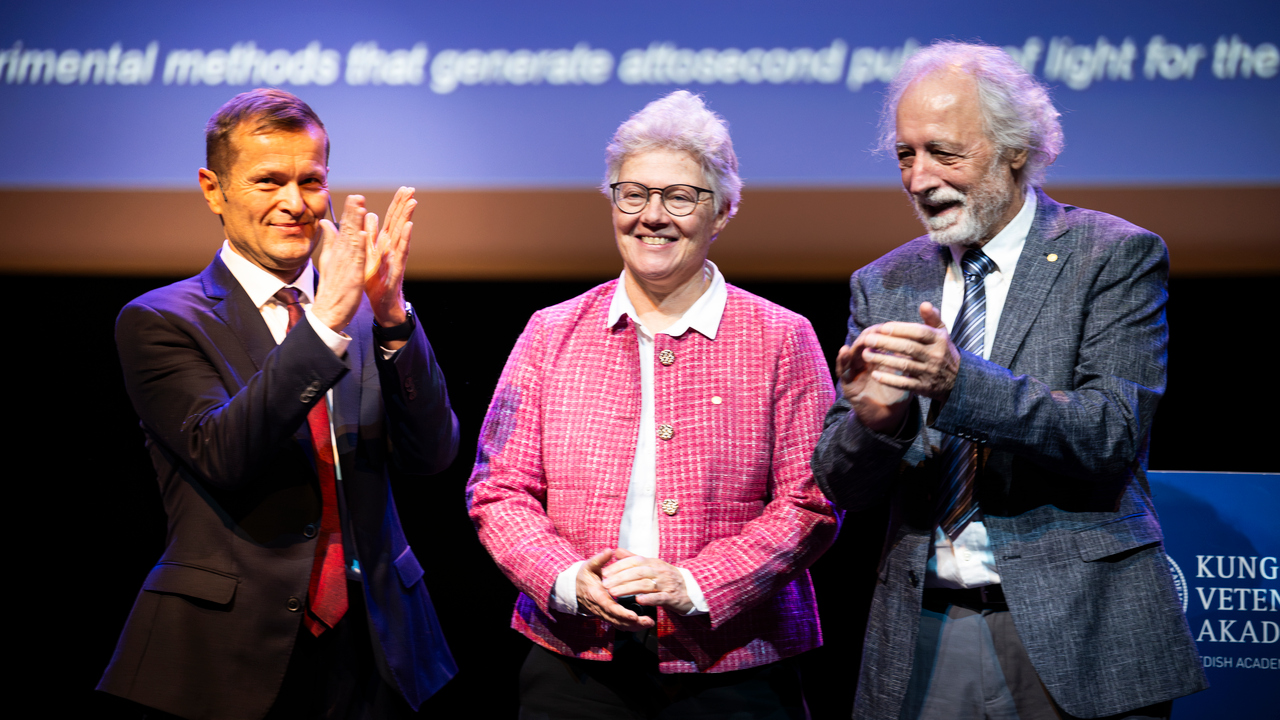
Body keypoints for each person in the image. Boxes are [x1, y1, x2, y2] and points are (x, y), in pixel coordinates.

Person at [811, 42, 1206, 720]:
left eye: (943, 152)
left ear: (1015, 149)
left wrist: (959, 383)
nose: (918, 178)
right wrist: (878, 426)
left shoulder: (1112, 255)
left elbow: (1109, 433)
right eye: (906, 155)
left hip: (1079, 630)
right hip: (925, 631)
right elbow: (842, 486)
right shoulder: (884, 283)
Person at [467, 90, 838, 718]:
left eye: (679, 197)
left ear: (721, 212)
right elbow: (498, 491)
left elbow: (812, 501)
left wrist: (694, 585)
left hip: (733, 665)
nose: (651, 216)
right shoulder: (550, 331)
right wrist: (564, 579)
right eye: (633, 194)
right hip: (573, 663)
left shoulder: (782, 337)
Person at [98, 88, 459, 719]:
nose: (294, 204)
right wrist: (325, 323)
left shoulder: (368, 314)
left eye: (311, 181)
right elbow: (223, 453)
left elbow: (433, 455)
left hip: (380, 645)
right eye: (268, 181)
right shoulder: (160, 320)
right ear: (214, 189)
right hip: (227, 652)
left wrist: (394, 315)